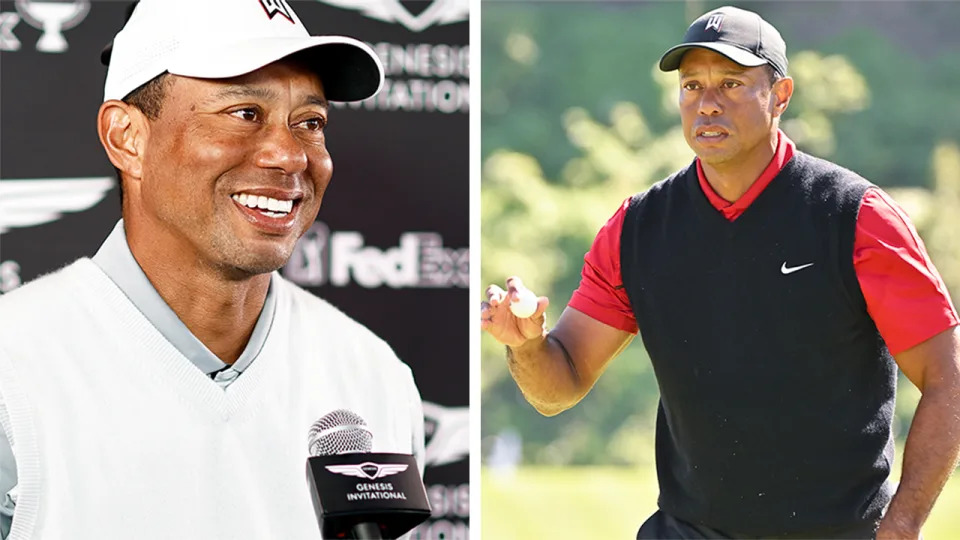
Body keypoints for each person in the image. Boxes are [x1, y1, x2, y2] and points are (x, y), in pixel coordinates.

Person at [481, 6, 960, 539]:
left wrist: (902, 525)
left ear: (780, 96)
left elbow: (949, 378)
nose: (707, 104)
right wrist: (525, 345)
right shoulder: (637, 229)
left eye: (731, 83)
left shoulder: (856, 217)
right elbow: (560, 387)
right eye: (691, 86)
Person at [0, 0, 425, 538]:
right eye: (245, 113)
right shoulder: (13, 369)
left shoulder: (372, 375)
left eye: (310, 123)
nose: (290, 156)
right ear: (127, 138)